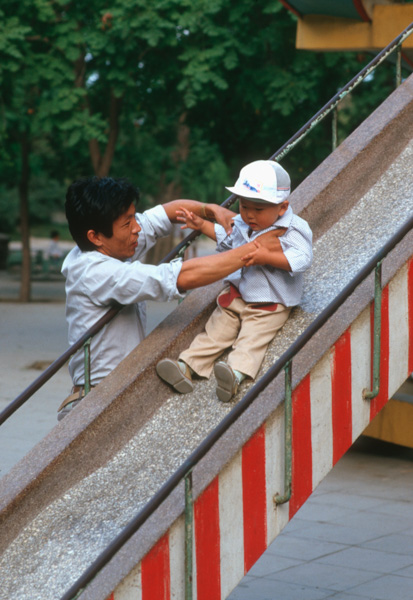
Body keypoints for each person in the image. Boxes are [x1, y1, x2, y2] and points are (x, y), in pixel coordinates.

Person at [58, 176, 279, 420]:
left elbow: (167, 212)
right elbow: (180, 277)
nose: (137, 228)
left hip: (118, 387)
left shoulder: (111, 245)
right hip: (97, 398)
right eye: (127, 223)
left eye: (133, 217)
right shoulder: (94, 272)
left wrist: (212, 210)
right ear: (95, 236)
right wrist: (253, 249)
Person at [156, 160, 313, 402]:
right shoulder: (243, 223)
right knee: (216, 330)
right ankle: (187, 365)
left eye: (258, 209)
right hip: (237, 296)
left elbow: (303, 259)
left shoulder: (294, 228)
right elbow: (228, 239)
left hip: (268, 304)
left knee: (252, 339)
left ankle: (235, 374)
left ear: (282, 208)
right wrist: (202, 225)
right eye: (244, 206)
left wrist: (268, 257)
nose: (249, 214)